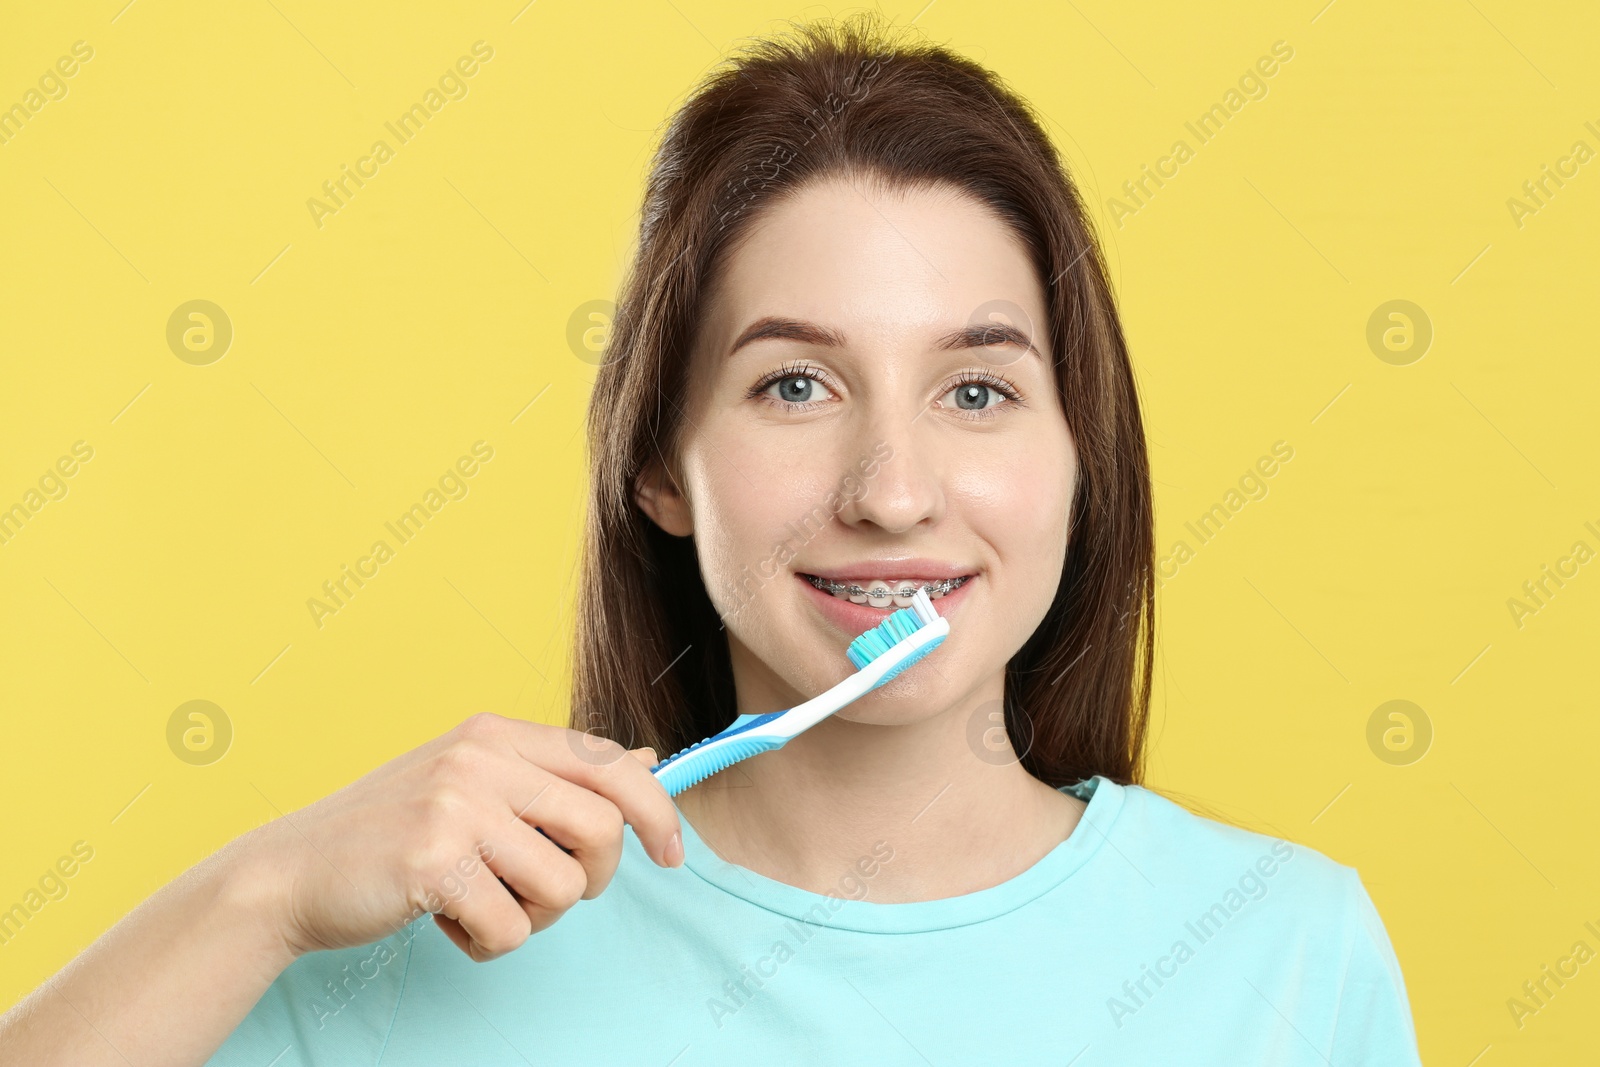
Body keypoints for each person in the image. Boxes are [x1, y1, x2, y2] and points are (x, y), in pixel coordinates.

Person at [0, 14, 1423, 1065]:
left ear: (1076, 459)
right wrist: (262, 892)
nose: (892, 488)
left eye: (977, 388)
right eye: (794, 384)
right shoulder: (413, 958)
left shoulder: (1284, 953)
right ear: (658, 469)